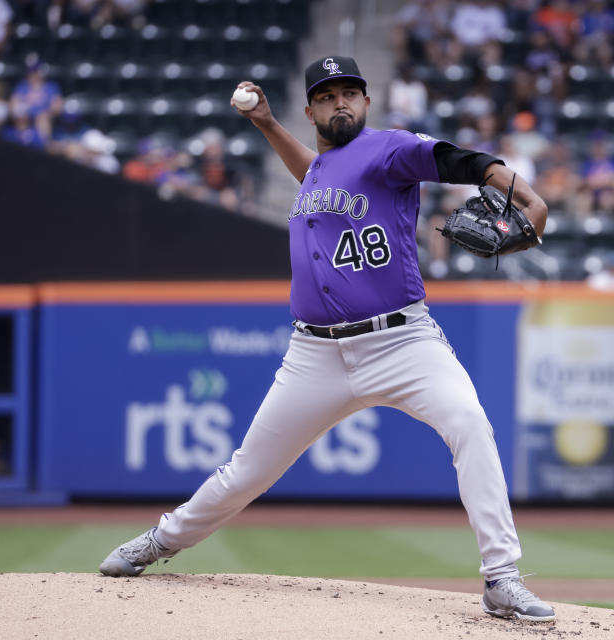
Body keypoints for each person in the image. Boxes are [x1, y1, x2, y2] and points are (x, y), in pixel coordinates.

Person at [98, 55, 556, 624]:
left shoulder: (389, 149)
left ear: (365, 102)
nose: (341, 101)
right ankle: (160, 542)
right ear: (312, 108)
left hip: (402, 343)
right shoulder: (321, 170)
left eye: (351, 92)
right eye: (328, 94)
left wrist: (529, 198)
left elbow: (461, 160)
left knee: (469, 422)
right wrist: (267, 123)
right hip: (314, 354)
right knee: (248, 470)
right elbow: (317, 174)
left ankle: (502, 577)